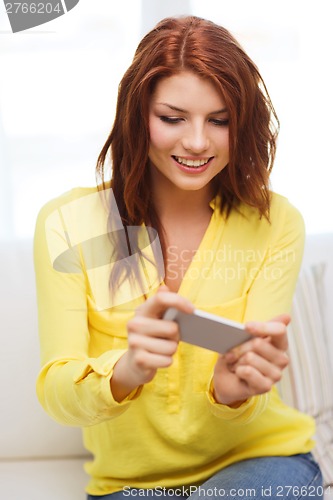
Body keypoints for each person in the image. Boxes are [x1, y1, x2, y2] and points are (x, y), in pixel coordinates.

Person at [34, 15, 323, 500]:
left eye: (220, 120)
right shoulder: (67, 223)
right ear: (137, 115)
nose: (196, 142)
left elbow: (253, 389)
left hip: (262, 464)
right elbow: (57, 392)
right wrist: (126, 371)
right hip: (130, 486)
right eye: (173, 118)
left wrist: (235, 391)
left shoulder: (276, 222)